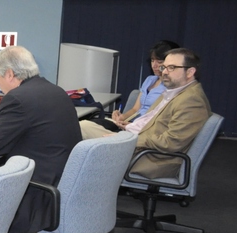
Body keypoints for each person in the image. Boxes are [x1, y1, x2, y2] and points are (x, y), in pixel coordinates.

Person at [0, 45, 82, 233]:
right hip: (64, 182)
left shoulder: (17, 98)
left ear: (10, 74)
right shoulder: (55, 91)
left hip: (38, 191)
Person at [79, 48, 210, 179]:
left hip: (150, 158)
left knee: (80, 132)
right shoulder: (176, 92)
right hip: (140, 145)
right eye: (164, 67)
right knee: (82, 127)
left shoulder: (191, 100)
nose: (164, 72)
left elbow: (170, 142)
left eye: (171, 67)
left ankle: (73, 188)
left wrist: (127, 139)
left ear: (190, 72)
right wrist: (130, 126)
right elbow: (154, 121)